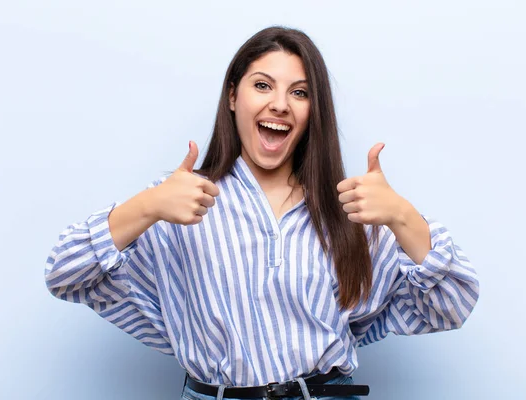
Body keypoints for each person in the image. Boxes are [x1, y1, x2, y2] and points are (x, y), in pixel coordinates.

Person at [44, 26, 480, 400]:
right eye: (262, 85)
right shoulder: (178, 201)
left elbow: (453, 305)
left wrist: (402, 216)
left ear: (313, 112)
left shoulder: (351, 208)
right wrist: (147, 205)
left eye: (299, 92)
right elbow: (64, 273)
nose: (279, 104)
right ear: (233, 97)